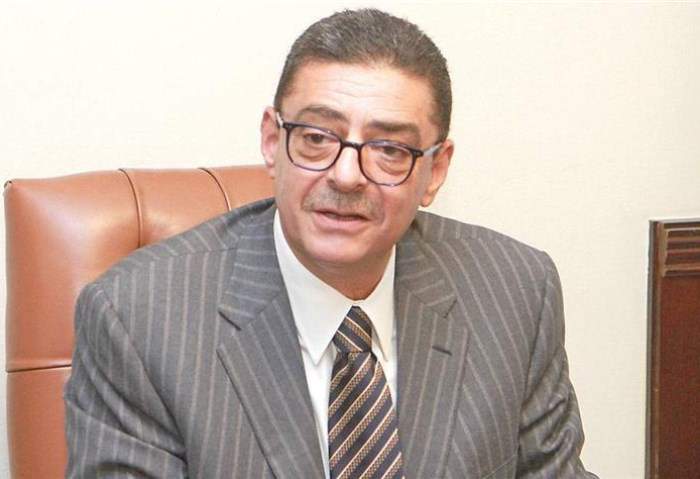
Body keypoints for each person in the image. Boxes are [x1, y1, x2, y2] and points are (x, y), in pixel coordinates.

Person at [64, 8, 596, 479]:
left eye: (389, 149)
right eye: (317, 138)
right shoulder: (139, 321)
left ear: (435, 171)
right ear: (272, 141)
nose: (346, 176)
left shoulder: (516, 292)